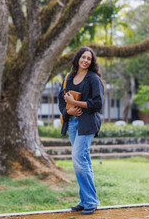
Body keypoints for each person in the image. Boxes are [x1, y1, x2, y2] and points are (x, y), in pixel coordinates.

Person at [58, 46, 104, 215]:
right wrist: (68, 111)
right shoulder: (69, 77)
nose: (85, 60)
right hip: (72, 123)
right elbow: (62, 98)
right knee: (83, 160)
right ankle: (86, 200)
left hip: (87, 123)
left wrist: (76, 104)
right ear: (78, 58)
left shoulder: (93, 79)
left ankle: (91, 201)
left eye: (89, 58)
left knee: (78, 158)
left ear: (92, 62)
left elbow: (98, 104)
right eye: (83, 57)